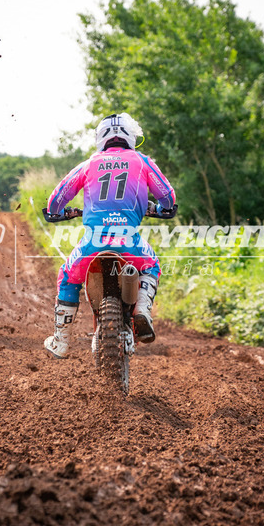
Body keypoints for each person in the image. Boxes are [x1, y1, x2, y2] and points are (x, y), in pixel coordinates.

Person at [44, 113, 176, 359]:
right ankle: (142, 309)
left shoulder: (89, 164)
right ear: (131, 136)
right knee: (151, 265)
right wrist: (161, 208)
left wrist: (57, 212)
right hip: (129, 242)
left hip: (92, 243)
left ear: (101, 138)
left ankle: (61, 341)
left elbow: (56, 199)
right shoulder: (142, 161)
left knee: (67, 277)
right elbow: (168, 196)